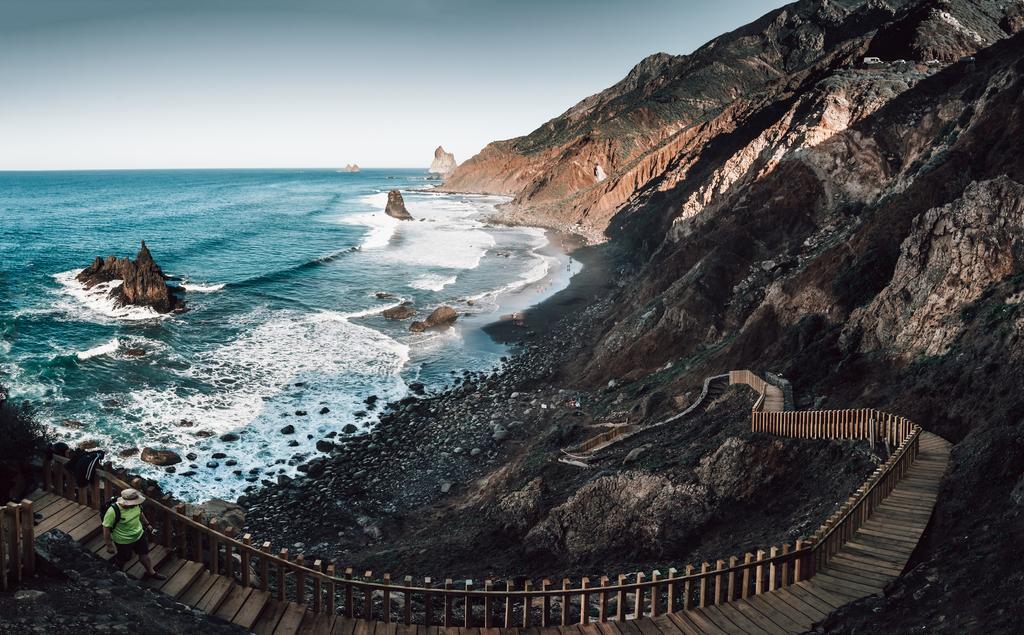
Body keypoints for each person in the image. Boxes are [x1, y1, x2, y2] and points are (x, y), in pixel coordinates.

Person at [102, 488, 166, 579]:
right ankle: (118, 571)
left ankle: (151, 572)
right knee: (124, 558)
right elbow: (106, 528)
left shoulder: (136, 505)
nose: (136, 504)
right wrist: (109, 545)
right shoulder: (113, 511)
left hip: (139, 535)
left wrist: (147, 524)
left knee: (144, 555)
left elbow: (140, 513)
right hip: (123, 540)